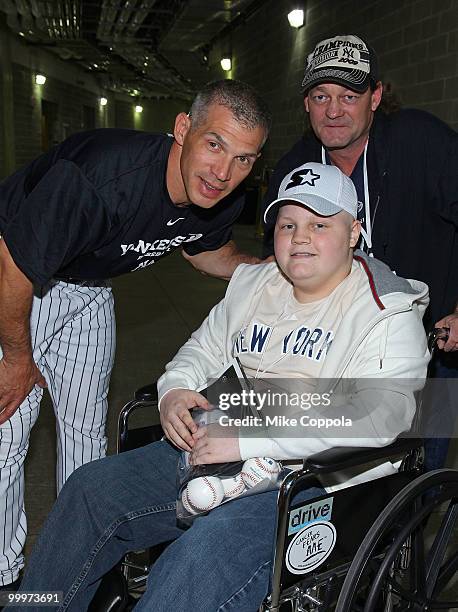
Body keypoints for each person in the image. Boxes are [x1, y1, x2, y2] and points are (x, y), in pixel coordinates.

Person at [16, 163, 430, 612]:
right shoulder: (255, 283)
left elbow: (385, 412)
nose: (300, 237)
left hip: (311, 481)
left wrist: (250, 438)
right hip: (218, 447)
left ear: (354, 232)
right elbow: (201, 350)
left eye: (320, 224)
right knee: (90, 489)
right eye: (288, 224)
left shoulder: (386, 308)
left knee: (195, 560)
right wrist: (174, 389)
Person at [0, 79, 272, 589]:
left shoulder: (219, 197)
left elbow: (206, 251)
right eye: (215, 145)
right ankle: (4, 572)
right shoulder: (101, 178)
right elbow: (12, 265)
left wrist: (271, 270)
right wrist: (17, 359)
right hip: (14, 276)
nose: (224, 172)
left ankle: (77, 563)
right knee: (9, 429)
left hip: (87, 284)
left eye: (243, 159)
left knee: (84, 430)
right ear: (183, 129)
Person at [261, 34, 458, 469]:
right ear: (307, 103)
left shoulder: (421, 141)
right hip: (341, 349)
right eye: (320, 95)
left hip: (436, 345)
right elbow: (277, 263)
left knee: (417, 473)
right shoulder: (296, 168)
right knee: (345, 475)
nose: (334, 110)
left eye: (349, 95)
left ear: (376, 96)